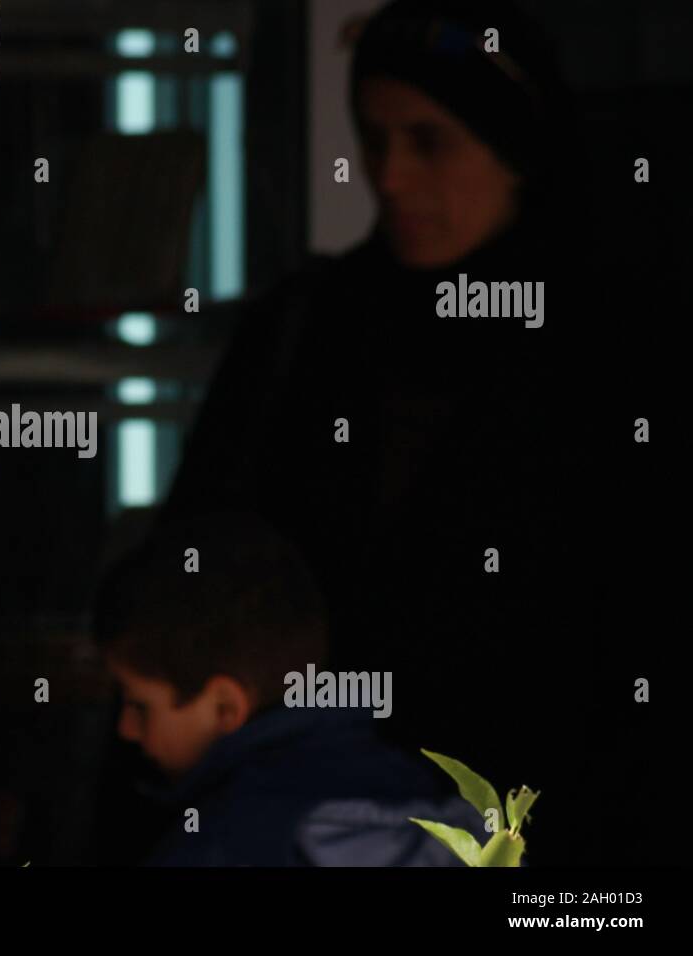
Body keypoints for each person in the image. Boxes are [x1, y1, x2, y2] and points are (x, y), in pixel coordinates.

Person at [160, 0, 676, 865]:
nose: (390, 176)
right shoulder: (309, 330)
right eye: (374, 138)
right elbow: (199, 567)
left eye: (430, 141)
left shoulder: (615, 351)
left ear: (518, 155)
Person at [93, 513, 482, 866]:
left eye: (138, 705)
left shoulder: (226, 844)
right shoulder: (428, 799)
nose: (126, 728)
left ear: (226, 707)